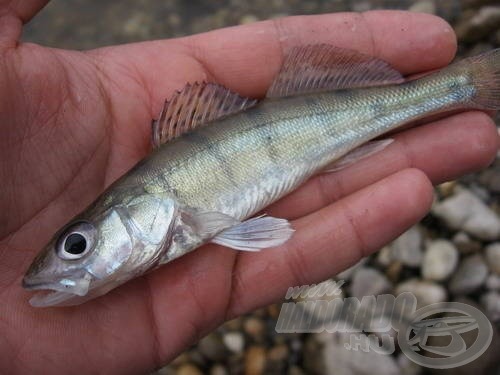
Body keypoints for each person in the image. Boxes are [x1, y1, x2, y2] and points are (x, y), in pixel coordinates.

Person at [0, 2, 498, 373]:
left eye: (77, 246)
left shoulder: (180, 213)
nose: (74, 262)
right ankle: (464, 86)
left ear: (134, 211)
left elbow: (249, 230)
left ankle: (465, 86)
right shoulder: (174, 221)